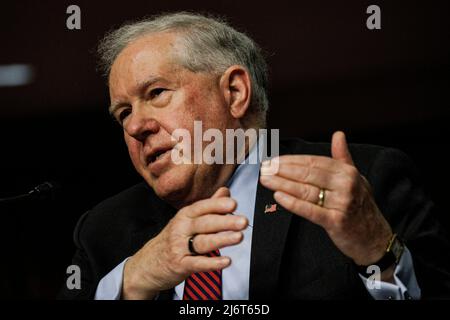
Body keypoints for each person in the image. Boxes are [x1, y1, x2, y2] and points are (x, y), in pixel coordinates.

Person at [59, 12, 450, 300]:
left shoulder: (364, 184)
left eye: (156, 93)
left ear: (234, 92)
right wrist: (130, 282)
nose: (135, 126)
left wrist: (378, 253)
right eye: (123, 113)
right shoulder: (104, 231)